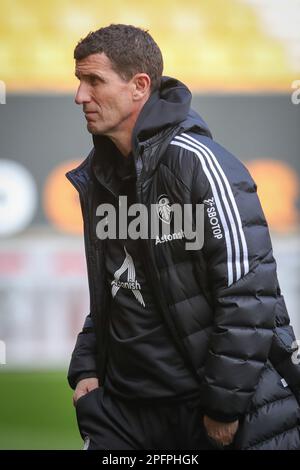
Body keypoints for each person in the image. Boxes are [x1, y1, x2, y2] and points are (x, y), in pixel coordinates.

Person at [66, 24, 300, 450]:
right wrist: (85, 367)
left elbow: (247, 293)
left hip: (200, 411)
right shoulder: (100, 174)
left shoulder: (200, 164)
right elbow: (117, 284)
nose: (80, 96)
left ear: (139, 86)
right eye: (79, 81)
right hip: (121, 414)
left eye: (94, 81)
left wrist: (224, 406)